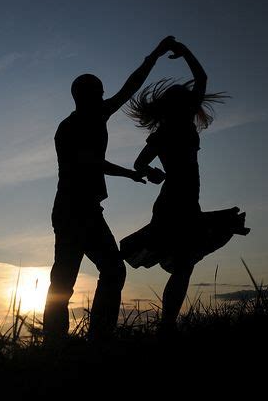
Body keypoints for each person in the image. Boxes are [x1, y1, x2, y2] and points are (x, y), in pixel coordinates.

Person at [43, 36, 180, 342]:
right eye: (100, 92)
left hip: (83, 209)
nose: (106, 97)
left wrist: (155, 54)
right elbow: (91, 162)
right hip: (74, 210)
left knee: (101, 272)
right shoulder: (76, 125)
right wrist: (131, 173)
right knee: (78, 277)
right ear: (86, 96)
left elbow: (129, 88)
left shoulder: (87, 119)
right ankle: (65, 343)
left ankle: (87, 339)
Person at [120, 41, 250, 334]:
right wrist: (185, 52)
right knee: (183, 265)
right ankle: (166, 326)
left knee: (184, 264)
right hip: (175, 202)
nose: (192, 100)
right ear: (178, 105)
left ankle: (167, 325)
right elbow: (140, 164)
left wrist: (151, 172)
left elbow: (140, 164)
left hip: (185, 201)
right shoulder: (170, 128)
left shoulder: (175, 126)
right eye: (186, 98)